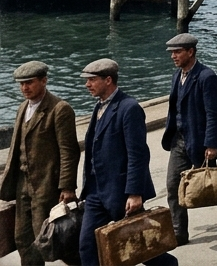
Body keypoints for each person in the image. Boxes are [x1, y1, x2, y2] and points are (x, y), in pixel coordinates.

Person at [77, 59, 179, 266]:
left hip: (120, 191)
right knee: (87, 245)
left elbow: (137, 154)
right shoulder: (99, 107)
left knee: (140, 245)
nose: (87, 84)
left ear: (108, 80)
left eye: (92, 80)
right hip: (96, 192)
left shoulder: (129, 108)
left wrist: (134, 192)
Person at [0, 61, 79, 266]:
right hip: (23, 185)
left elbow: (69, 152)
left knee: (53, 238)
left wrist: (67, 186)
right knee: (23, 239)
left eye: (29, 82)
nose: (24, 88)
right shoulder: (22, 108)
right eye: (21, 84)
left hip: (46, 185)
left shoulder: (59, 109)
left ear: (44, 81)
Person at [160, 33, 217, 245]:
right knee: (173, 185)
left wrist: (211, 144)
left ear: (190, 52)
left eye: (177, 52)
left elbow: (214, 114)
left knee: (213, 184)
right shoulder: (177, 76)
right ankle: (179, 232)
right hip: (179, 140)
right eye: (172, 52)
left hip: (200, 142)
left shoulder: (206, 77)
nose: (173, 56)